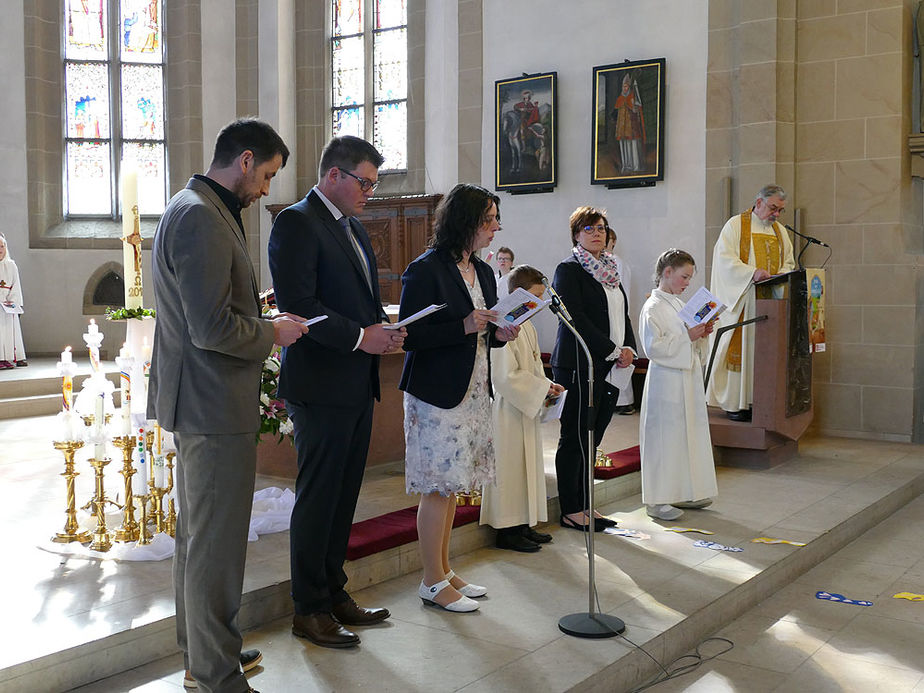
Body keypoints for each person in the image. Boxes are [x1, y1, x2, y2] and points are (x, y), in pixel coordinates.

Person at [147, 118, 309, 693]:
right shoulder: (199, 216)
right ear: (244, 160)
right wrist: (273, 332)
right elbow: (211, 326)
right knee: (214, 544)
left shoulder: (199, 208)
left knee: (201, 538)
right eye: (266, 175)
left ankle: (205, 655)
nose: (266, 189)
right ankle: (214, 674)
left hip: (207, 399)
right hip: (212, 403)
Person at [268, 136, 404, 649]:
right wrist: (359, 336)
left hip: (354, 381)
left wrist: (385, 329)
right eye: (365, 182)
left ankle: (334, 592)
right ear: (333, 176)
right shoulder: (297, 222)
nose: (371, 191)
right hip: (321, 383)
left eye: (374, 183)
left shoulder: (352, 227)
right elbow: (298, 302)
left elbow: (361, 299)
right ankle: (308, 608)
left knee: (345, 495)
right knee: (319, 497)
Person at [398, 183, 519, 611]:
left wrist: (501, 333)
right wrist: (464, 326)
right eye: (489, 220)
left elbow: (485, 334)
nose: (495, 228)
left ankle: (445, 570)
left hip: (472, 392)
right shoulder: (425, 269)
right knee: (437, 486)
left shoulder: (484, 272)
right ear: (465, 220)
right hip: (435, 395)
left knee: (452, 489)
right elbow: (409, 336)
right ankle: (431, 581)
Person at [551, 207, 636, 532]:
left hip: (609, 365)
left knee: (593, 436)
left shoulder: (610, 269)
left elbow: (622, 315)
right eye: (589, 229)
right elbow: (575, 318)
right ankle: (570, 509)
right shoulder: (569, 269)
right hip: (578, 363)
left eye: (601, 228)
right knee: (574, 435)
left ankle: (585, 503)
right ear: (576, 234)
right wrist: (612, 350)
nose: (597, 233)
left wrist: (628, 347)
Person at [481, 264, 562, 552]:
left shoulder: (525, 322)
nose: (540, 304)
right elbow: (503, 376)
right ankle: (507, 531)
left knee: (526, 468)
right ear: (517, 294)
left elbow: (534, 365)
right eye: (535, 297)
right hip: (506, 409)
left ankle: (523, 524)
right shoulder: (504, 321)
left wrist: (546, 386)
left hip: (524, 406)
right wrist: (538, 389)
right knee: (510, 470)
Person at [639, 249, 718, 521]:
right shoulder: (653, 306)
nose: (687, 283)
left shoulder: (675, 303)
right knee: (664, 440)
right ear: (667, 272)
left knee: (684, 438)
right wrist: (688, 336)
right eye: (684, 276)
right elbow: (653, 348)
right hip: (666, 381)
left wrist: (701, 334)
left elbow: (687, 338)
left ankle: (683, 491)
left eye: (690, 278)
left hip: (686, 378)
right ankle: (657, 501)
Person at [707, 184, 795, 422]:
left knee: (765, 353)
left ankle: (760, 401)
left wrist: (781, 275)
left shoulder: (780, 231)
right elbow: (724, 259)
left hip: (770, 305)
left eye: (780, 210)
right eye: (773, 208)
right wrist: (751, 273)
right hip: (744, 302)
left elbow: (789, 262)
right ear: (758, 203)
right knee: (742, 351)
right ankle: (737, 404)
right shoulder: (736, 225)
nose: (776, 215)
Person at [604, 227, 634, 415]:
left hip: (617, 317)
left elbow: (622, 293)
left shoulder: (617, 263)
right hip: (606, 319)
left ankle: (623, 401)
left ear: (613, 241)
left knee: (621, 359)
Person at [0, 234, 27, 369]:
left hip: (7, 305)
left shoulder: (11, 265)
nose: (0, 249)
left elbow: (16, 286)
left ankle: (9, 358)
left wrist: (13, 302)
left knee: (9, 332)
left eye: (2, 246)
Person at [611, 72, 646, 172]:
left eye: (626, 86)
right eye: (623, 86)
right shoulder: (620, 98)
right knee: (624, 145)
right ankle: (626, 165)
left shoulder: (632, 97)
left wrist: (634, 106)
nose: (625, 88)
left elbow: (637, 109)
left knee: (633, 145)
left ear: (629, 87)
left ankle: (635, 166)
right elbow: (615, 112)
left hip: (632, 128)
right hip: (622, 129)